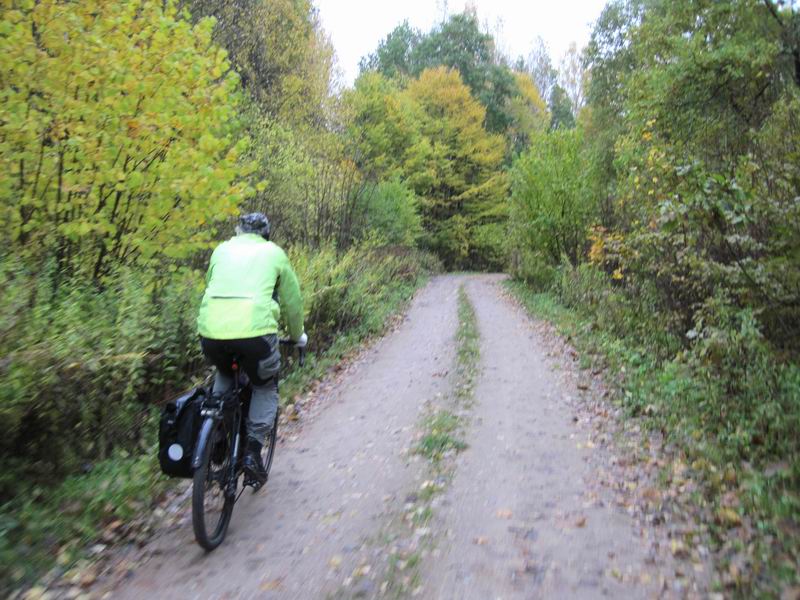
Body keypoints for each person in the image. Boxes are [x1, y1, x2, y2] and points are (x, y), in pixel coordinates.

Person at [197, 212, 306, 486]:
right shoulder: (274, 253)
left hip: (211, 333)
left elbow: (211, 286)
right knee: (264, 385)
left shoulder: (221, 250)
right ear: (265, 233)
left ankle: (216, 434)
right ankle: (252, 453)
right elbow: (292, 303)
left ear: (238, 231)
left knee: (224, 371)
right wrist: (298, 336)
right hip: (256, 334)